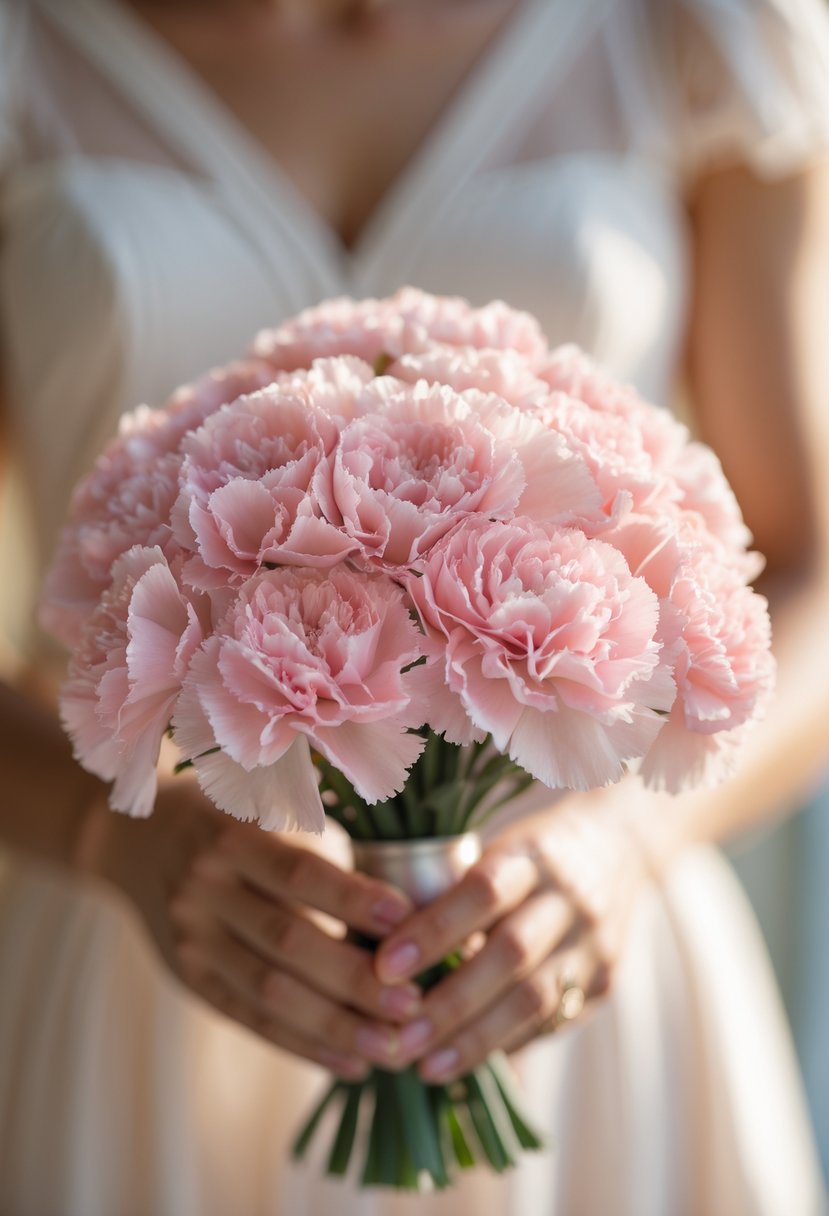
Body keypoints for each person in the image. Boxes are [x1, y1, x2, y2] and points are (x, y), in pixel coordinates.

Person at [1, 0, 829, 1212]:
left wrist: (629, 843)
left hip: (576, 959)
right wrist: (117, 837)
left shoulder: (696, 32)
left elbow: (813, 574)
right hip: (155, 958)